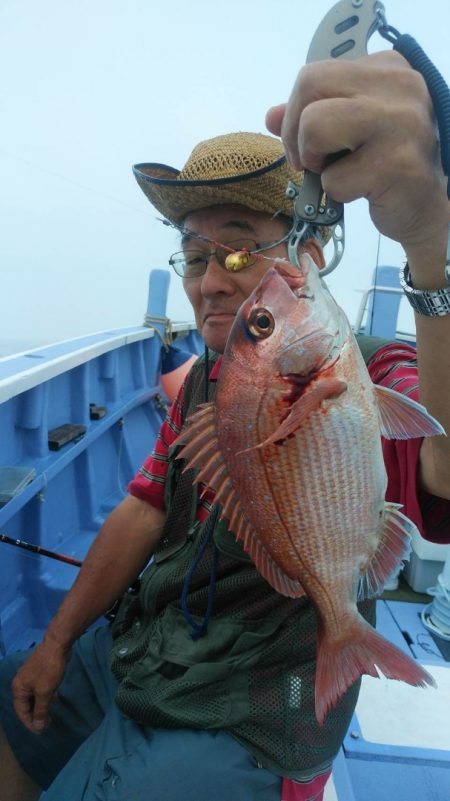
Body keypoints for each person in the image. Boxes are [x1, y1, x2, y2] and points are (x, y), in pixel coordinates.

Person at [1, 51, 450, 801]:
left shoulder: (369, 370)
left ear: (308, 249)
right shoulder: (214, 376)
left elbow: (443, 475)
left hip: (259, 700)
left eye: (240, 248)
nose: (210, 280)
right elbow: (144, 507)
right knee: (13, 690)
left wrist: (434, 247)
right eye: (194, 255)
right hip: (159, 643)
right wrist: (55, 642)